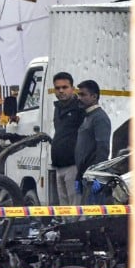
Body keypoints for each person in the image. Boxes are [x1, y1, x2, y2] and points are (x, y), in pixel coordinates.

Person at [73, 80, 111, 205]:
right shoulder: (88, 116)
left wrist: (98, 177)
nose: (79, 98)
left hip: (92, 179)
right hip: (85, 177)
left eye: (83, 95)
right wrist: (79, 176)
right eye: (78, 95)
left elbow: (103, 148)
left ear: (94, 97)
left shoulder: (99, 118)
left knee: (92, 219)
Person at [50, 72, 85, 206]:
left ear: (72, 88)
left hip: (73, 166)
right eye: (57, 88)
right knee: (64, 208)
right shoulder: (57, 108)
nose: (61, 91)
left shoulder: (80, 108)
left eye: (65, 87)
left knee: (75, 207)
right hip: (59, 165)